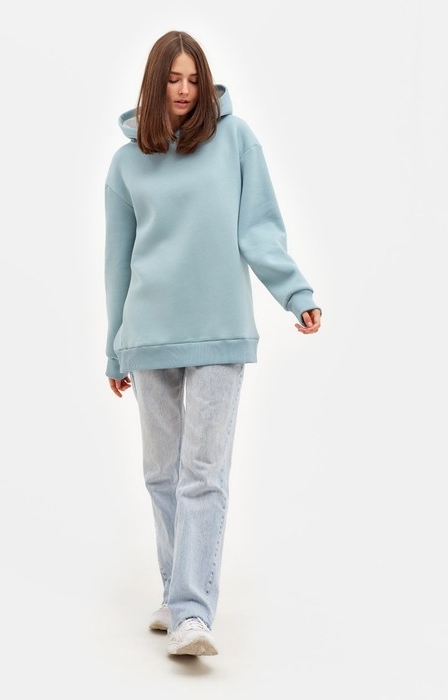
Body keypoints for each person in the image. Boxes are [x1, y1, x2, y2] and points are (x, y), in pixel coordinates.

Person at [104, 30, 322, 657]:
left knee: (202, 474)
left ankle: (193, 613)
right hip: (149, 335)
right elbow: (117, 263)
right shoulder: (125, 164)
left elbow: (259, 230)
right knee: (160, 474)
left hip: (220, 328)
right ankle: (177, 595)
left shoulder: (236, 140)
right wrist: (114, 348)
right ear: (155, 84)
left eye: (194, 79)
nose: (184, 90)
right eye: (173, 79)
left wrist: (295, 293)